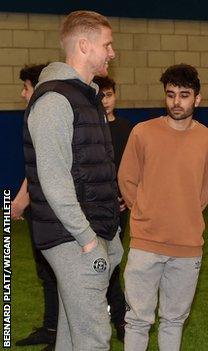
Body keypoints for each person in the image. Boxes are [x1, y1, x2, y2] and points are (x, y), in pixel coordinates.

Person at [22, 10, 123, 350]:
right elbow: (54, 181)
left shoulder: (85, 96)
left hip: (88, 235)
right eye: (107, 45)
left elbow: (95, 173)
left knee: (72, 335)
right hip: (73, 239)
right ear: (84, 45)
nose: (112, 53)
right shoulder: (55, 101)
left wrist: (113, 235)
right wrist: (89, 242)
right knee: (93, 338)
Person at [118, 64, 208, 351]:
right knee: (137, 319)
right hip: (145, 243)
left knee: (174, 320)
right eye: (171, 94)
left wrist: (182, 214)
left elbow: (206, 191)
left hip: (187, 245)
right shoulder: (142, 132)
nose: (177, 101)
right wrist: (147, 211)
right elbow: (127, 179)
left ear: (197, 99)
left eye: (184, 95)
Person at [12, 64, 58, 351]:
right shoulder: (36, 116)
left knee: (57, 275)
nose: (22, 93)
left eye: (26, 87)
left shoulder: (48, 117)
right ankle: (51, 328)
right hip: (40, 208)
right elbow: (33, 168)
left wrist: (19, 202)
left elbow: (44, 168)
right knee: (46, 273)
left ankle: (60, 337)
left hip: (52, 211)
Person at [93, 75, 131, 341]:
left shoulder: (127, 130)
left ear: (115, 95)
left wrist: (127, 197)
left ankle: (119, 317)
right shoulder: (86, 129)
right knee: (94, 265)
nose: (104, 101)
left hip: (119, 206)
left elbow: (136, 170)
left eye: (108, 95)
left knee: (113, 264)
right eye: (99, 96)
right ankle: (102, 317)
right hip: (92, 206)